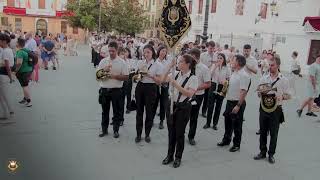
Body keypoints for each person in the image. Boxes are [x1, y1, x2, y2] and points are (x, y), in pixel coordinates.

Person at [161, 54, 198, 168]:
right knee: (171, 132)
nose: (178, 63)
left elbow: (189, 94)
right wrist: (169, 67)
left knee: (179, 134)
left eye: (181, 61)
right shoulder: (175, 73)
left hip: (183, 108)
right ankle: (169, 155)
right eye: (178, 61)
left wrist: (175, 84)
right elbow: (162, 80)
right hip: (171, 105)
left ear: (188, 64)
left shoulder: (193, 78)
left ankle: (178, 157)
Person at [254, 55, 290, 164]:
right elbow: (258, 94)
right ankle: (262, 152)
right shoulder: (264, 78)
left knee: (274, 133)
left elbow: (289, 95)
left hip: (276, 109)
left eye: (272, 65)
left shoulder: (284, 80)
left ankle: (271, 154)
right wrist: (260, 93)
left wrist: (282, 96)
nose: (270, 67)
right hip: (264, 108)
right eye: (269, 65)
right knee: (263, 131)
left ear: (278, 65)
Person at [217, 54, 250, 152]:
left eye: (233, 60)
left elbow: (243, 91)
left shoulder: (244, 75)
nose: (231, 61)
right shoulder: (234, 72)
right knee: (227, 122)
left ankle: (236, 144)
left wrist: (238, 105)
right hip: (229, 101)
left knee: (237, 124)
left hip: (237, 102)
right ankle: (226, 139)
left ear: (239, 63)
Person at [97, 41, 129, 138]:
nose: (111, 53)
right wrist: (104, 71)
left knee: (116, 112)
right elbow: (98, 76)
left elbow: (126, 77)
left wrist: (114, 76)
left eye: (113, 51)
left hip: (116, 90)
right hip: (104, 89)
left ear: (117, 50)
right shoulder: (103, 61)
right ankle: (104, 130)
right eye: (109, 51)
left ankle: (116, 130)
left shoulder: (122, 62)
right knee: (104, 112)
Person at [135, 44, 163, 143]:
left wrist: (149, 75)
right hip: (140, 87)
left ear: (153, 53)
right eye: (145, 52)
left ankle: (147, 134)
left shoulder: (158, 64)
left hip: (151, 88)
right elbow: (136, 78)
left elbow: (159, 81)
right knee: (139, 112)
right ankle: (138, 134)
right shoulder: (140, 62)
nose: (146, 54)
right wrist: (138, 75)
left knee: (150, 112)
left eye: (148, 52)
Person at [187, 48, 211, 145]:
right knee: (183, 115)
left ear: (195, 57)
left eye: (190, 57)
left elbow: (208, 84)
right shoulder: (188, 66)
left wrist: (195, 88)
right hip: (186, 94)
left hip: (197, 96)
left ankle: (191, 136)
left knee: (193, 116)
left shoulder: (204, 68)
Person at [204, 53, 231, 130]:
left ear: (224, 60)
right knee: (210, 105)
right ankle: (208, 123)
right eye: (218, 58)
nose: (219, 59)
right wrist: (215, 67)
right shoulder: (214, 66)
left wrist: (225, 81)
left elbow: (229, 78)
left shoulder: (227, 68)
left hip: (221, 86)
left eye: (221, 58)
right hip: (213, 85)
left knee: (218, 106)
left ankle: (215, 124)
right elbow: (209, 76)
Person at [155, 45, 171, 129]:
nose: (163, 52)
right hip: (156, 84)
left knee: (163, 103)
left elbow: (169, 73)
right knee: (154, 102)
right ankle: (151, 118)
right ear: (159, 51)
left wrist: (165, 80)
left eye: (165, 51)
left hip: (165, 84)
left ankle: (161, 120)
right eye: (162, 50)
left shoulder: (167, 62)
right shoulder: (155, 61)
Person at [14, 38, 33, 107]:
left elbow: (19, 63)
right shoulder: (26, 50)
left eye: (16, 42)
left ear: (18, 44)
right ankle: (25, 98)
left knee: (25, 86)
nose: (15, 43)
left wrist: (15, 71)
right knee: (25, 86)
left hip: (23, 71)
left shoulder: (20, 52)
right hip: (29, 69)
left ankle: (29, 101)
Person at [199, 41, 217, 117]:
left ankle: (204, 111)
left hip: (211, 78)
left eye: (213, 48)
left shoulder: (216, 56)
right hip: (202, 77)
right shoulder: (202, 55)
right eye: (210, 48)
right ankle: (196, 108)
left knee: (207, 96)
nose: (212, 50)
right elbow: (199, 65)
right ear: (207, 47)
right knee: (199, 95)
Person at [0, 33, 14, 119]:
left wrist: (10, 77)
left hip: (3, 75)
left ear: (4, 41)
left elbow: (7, 66)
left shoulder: (5, 51)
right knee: (2, 95)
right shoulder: (8, 50)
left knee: (4, 95)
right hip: (4, 74)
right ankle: (6, 112)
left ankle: (10, 112)